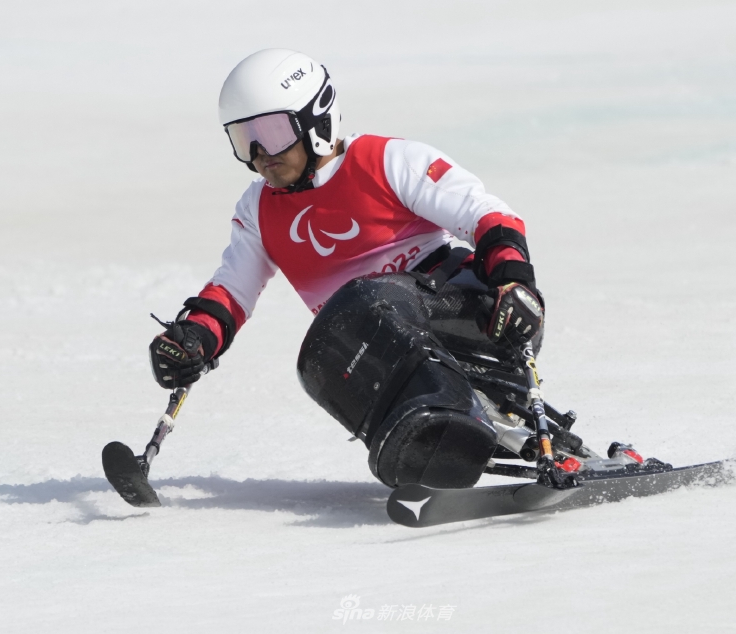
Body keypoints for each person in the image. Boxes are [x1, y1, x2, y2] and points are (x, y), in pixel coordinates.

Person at [148, 49, 545, 489]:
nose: (260, 154)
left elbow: (487, 215)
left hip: (482, 314)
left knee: (360, 303)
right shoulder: (258, 209)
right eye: (245, 139)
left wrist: (514, 280)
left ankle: (442, 424)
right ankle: (423, 450)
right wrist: (194, 339)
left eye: (273, 133)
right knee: (319, 358)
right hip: (381, 338)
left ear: (316, 121)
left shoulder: (386, 161)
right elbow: (232, 290)